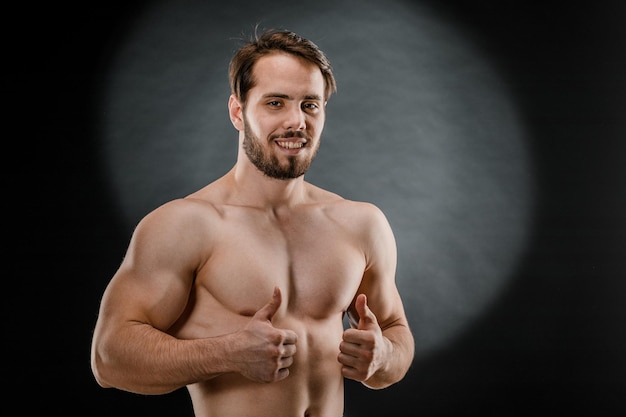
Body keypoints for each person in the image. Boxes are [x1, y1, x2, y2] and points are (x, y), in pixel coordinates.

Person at [90, 28, 415, 417]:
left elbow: (397, 332)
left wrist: (381, 357)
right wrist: (227, 353)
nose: (296, 121)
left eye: (310, 104)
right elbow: (109, 359)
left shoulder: (361, 223)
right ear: (238, 112)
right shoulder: (187, 224)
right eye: (275, 103)